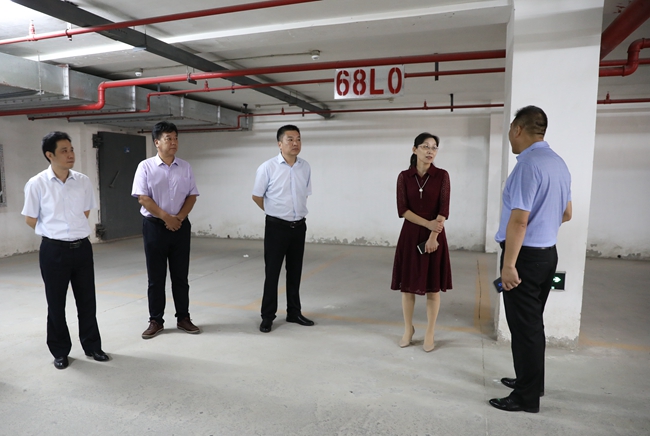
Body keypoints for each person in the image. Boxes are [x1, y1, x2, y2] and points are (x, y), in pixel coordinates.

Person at [489, 106, 572, 413]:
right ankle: (532, 383)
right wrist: (543, 228)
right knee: (532, 325)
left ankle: (525, 398)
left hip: (523, 258)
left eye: (511, 130)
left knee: (525, 330)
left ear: (518, 129)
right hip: (547, 255)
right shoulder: (558, 163)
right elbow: (567, 213)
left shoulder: (528, 165)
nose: (510, 136)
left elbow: (519, 221)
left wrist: (509, 265)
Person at [22, 131, 109, 370]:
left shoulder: (82, 181)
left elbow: (85, 212)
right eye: (64, 151)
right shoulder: (37, 183)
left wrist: (72, 231)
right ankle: (60, 351)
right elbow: (30, 218)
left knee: (87, 301)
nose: (70, 154)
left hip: (82, 248)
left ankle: (92, 346)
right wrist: (54, 231)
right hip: (53, 251)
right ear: (49, 155)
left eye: (71, 150)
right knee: (56, 303)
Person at [131, 121, 200, 339]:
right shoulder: (145, 167)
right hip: (154, 227)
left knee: (181, 276)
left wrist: (178, 218)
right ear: (157, 142)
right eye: (168, 138)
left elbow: (192, 196)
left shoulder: (185, 167)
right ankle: (156, 320)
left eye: (175, 138)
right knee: (156, 277)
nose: (173, 142)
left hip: (180, 226)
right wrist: (166, 218)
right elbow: (143, 198)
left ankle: (183, 318)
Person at [391, 132, 452, 352]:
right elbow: (403, 210)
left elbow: (443, 209)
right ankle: (408, 329)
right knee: (407, 287)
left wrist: (433, 236)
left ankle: (430, 332)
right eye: (426, 146)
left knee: (432, 288)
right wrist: (427, 224)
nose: (430, 151)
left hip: (435, 234)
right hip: (410, 235)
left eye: (434, 147)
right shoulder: (404, 177)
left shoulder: (442, 176)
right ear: (415, 149)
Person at [252, 124, 314, 333]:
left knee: (295, 272)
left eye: (298, 139)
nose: (295, 143)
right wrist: (273, 211)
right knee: (272, 273)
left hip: (299, 227)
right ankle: (267, 316)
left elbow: (305, 194)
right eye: (290, 139)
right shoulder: (267, 167)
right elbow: (257, 196)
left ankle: (294, 312)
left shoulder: (305, 167)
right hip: (276, 227)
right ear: (280, 144)